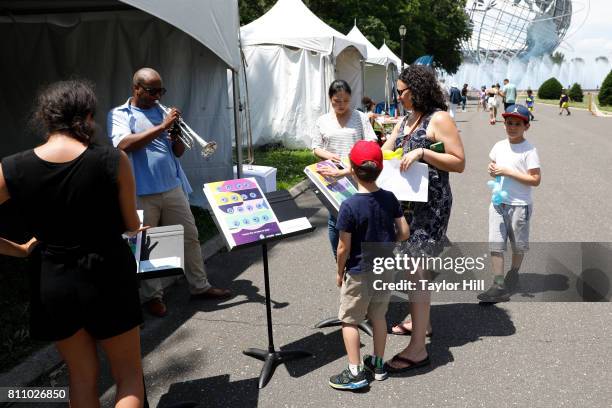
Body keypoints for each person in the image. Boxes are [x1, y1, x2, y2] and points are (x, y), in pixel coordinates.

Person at [0, 80, 145, 407]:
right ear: (88, 117)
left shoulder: (12, 167)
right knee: (129, 378)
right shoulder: (112, 160)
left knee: (80, 378)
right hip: (108, 272)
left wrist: (18, 249)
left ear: (45, 118)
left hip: (52, 279)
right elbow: (132, 225)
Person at [107, 67, 231, 318]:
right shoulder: (120, 114)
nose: (157, 96)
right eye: (152, 91)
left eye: (160, 91)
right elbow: (123, 144)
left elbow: (177, 152)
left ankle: (199, 286)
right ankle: (153, 296)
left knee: (190, 236)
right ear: (137, 89)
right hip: (140, 190)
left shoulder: (162, 111)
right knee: (146, 245)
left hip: (172, 185)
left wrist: (175, 134)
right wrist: (163, 125)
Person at [382, 66, 465, 372]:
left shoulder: (439, 119)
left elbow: (459, 162)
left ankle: (419, 349)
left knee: (416, 268)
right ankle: (422, 323)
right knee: (410, 265)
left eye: (402, 91)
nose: (398, 96)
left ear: (417, 90)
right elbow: (386, 150)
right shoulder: (405, 119)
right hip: (406, 205)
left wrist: (423, 154)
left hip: (431, 206)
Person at [328, 140, 409, 390]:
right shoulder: (390, 198)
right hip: (386, 267)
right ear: (381, 169)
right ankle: (378, 364)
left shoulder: (349, 205)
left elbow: (343, 248)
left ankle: (355, 373)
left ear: (352, 169)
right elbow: (404, 232)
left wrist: (339, 271)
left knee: (350, 320)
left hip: (359, 271)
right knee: (378, 317)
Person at [478, 104, 541, 303]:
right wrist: (493, 169)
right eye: (508, 123)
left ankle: (514, 272)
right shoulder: (498, 146)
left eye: (517, 124)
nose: (512, 127)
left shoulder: (529, 150)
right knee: (496, 243)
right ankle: (498, 285)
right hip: (498, 202)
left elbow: (535, 179)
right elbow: (494, 168)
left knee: (517, 245)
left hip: (520, 205)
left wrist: (507, 171)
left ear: (526, 126)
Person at [312, 80, 377, 258]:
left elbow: (371, 142)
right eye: (336, 101)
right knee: (336, 219)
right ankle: (341, 259)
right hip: (334, 177)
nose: (341, 105)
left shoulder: (360, 117)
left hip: (359, 176)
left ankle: (361, 260)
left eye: (345, 101)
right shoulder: (322, 120)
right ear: (330, 99)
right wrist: (327, 155)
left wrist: (356, 164)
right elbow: (316, 147)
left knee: (361, 218)